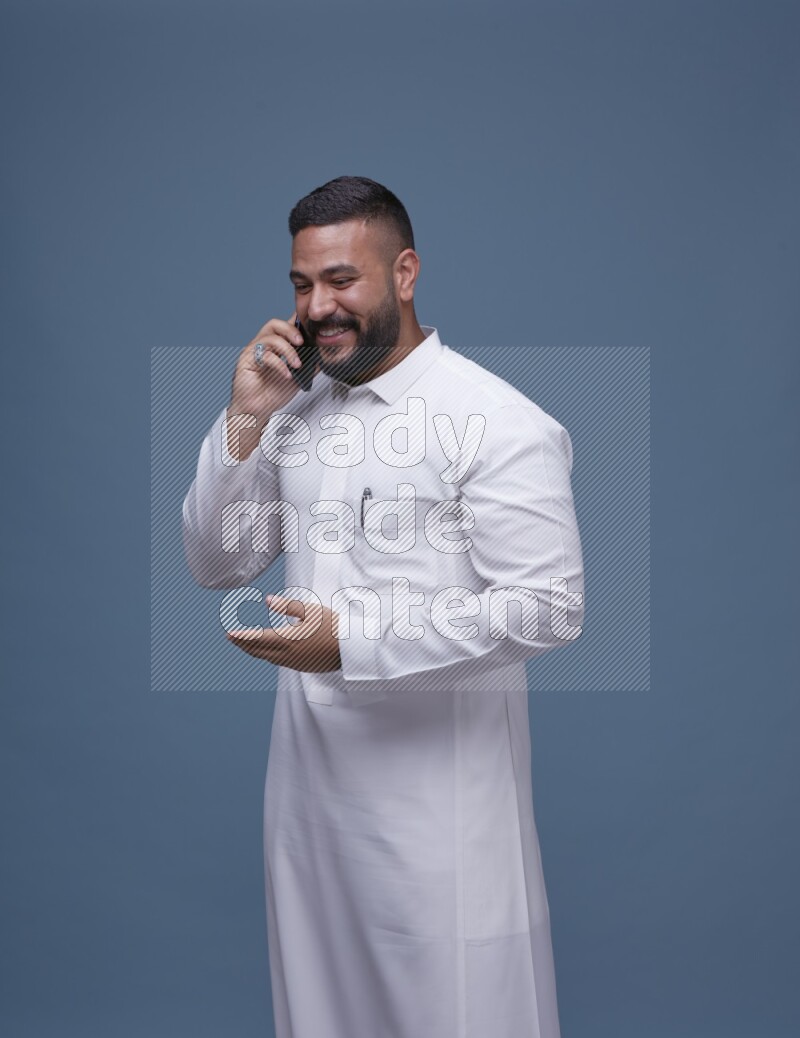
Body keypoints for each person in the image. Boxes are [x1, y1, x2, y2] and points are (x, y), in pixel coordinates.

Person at [182, 176, 585, 1038]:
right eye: (301, 284)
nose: (317, 307)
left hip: (439, 825)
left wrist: (351, 642)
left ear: (404, 273)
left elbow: (551, 607)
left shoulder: (495, 420)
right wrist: (245, 421)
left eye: (342, 280)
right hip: (308, 815)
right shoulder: (293, 414)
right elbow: (217, 562)